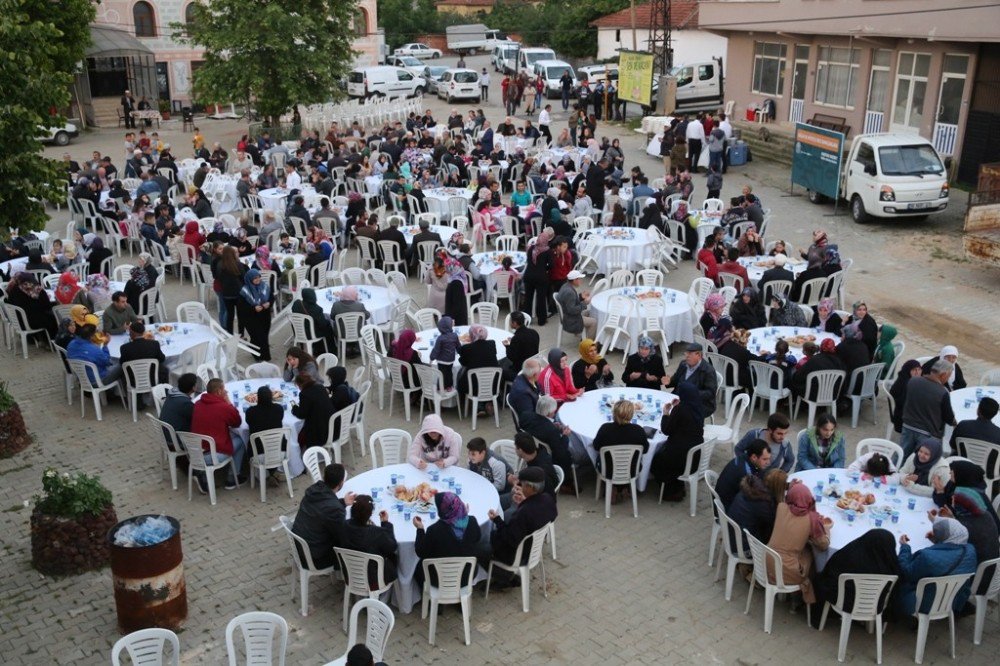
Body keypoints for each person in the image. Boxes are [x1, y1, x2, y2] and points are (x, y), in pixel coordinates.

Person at [488, 466, 558, 586]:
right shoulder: (548, 499)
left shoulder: (524, 513)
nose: (518, 486)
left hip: (519, 554)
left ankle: (504, 578)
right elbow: (551, 515)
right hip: (535, 548)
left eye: (521, 484)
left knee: (483, 546)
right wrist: (523, 503)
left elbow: (509, 539)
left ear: (530, 487)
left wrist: (497, 520)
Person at [811, 529, 901, 622]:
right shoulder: (890, 567)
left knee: (819, 579)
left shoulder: (850, 556)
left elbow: (830, 570)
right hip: (875, 604)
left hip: (845, 602)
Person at [895, 517, 976, 617]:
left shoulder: (927, 556)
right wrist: (938, 542)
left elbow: (906, 572)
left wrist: (905, 547)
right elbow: (949, 557)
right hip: (953, 600)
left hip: (922, 604)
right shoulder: (971, 550)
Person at [767, 483, 831, 605]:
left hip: (767, 562)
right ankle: (802, 599)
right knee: (813, 554)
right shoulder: (811, 519)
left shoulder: (781, 507)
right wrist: (826, 530)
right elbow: (823, 546)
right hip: (787, 571)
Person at [413, 491, 487, 587]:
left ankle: (429, 597)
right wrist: (464, 515)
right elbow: (477, 538)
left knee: (418, 567)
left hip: (440, 579)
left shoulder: (434, 530)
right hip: (467, 575)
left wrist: (420, 529)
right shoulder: (472, 521)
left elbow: (421, 552)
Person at [291, 464, 353, 569]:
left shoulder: (313, 491)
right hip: (315, 558)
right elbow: (343, 536)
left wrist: (342, 502)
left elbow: (322, 509)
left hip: (299, 547)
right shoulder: (335, 509)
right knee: (354, 544)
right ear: (341, 483)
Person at [653, 382, 706, 502]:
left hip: (680, 458)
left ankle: (670, 490)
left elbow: (666, 430)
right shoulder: (698, 407)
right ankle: (677, 486)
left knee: (656, 460)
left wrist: (666, 413)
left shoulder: (680, 410)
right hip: (695, 456)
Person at [190, 378, 246, 491]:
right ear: (219, 391)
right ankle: (232, 478)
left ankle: (202, 473)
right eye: (224, 389)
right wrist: (228, 402)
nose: (225, 392)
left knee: (232, 435)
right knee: (240, 440)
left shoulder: (198, 403)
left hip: (195, 450)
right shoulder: (223, 407)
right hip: (212, 454)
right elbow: (237, 422)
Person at [899, 358, 956, 458]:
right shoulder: (942, 392)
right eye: (948, 376)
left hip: (908, 426)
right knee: (924, 461)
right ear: (943, 375)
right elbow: (949, 418)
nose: (947, 379)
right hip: (929, 433)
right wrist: (956, 422)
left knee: (901, 456)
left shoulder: (913, 381)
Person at [518, 396, 575, 493]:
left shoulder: (525, 416)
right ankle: (566, 484)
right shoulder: (551, 430)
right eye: (554, 411)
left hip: (534, 445)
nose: (555, 412)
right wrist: (565, 436)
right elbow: (560, 452)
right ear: (549, 413)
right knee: (567, 456)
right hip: (545, 453)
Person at [339, 495, 398, 586]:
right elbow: (392, 547)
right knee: (395, 556)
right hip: (374, 579)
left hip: (350, 574)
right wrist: (386, 524)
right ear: (370, 514)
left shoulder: (343, 525)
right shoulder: (376, 533)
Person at [728, 469, 788, 553]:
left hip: (731, 535)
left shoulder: (751, 488)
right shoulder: (764, 504)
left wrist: (788, 486)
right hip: (743, 547)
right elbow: (774, 527)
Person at [66, 315, 124, 387]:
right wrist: (105, 345)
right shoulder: (94, 349)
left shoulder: (71, 344)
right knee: (123, 364)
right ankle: (121, 392)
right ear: (92, 336)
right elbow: (107, 362)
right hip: (97, 381)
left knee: (114, 360)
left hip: (82, 378)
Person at [716, 438, 773, 509]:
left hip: (726, 500)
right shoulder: (746, 473)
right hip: (728, 509)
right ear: (754, 457)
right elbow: (755, 496)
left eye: (769, 458)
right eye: (765, 459)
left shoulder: (744, 457)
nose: (768, 462)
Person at [666, 343, 718, 417]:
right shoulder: (683, 364)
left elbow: (710, 393)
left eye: (690, 353)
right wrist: (669, 382)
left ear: (699, 355)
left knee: (679, 415)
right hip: (679, 398)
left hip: (699, 403)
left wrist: (691, 394)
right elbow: (676, 380)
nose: (686, 356)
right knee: (663, 406)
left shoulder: (708, 371)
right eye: (686, 353)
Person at [4, 272, 57, 338]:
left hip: (18, 322)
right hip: (30, 322)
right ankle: (51, 341)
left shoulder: (11, 289)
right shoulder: (36, 290)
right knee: (54, 317)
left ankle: (37, 338)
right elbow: (47, 305)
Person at [457, 324, 500, 403]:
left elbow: (463, 362)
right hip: (492, 384)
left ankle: (461, 401)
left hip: (473, 387)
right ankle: (485, 404)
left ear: (471, 335)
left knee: (460, 376)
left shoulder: (467, 348)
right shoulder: (492, 344)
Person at [291, 372, 335, 449]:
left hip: (320, 430)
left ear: (300, 384)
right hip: (331, 423)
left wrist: (294, 408)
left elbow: (301, 414)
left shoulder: (304, 394)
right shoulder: (320, 387)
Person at [237, 269, 273, 361]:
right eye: (255, 278)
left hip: (264, 316)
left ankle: (261, 355)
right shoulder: (244, 291)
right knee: (257, 337)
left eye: (259, 277)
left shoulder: (264, 286)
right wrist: (253, 308)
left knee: (263, 337)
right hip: (251, 319)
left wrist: (269, 303)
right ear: (249, 279)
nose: (258, 280)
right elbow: (241, 308)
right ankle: (258, 356)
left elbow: (271, 298)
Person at [468, 437, 513, 509]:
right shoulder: (473, 460)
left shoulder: (496, 463)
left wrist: (482, 489)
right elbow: (470, 474)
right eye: (469, 453)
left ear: (482, 453)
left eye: (473, 454)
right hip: (484, 485)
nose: (470, 457)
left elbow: (500, 486)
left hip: (501, 492)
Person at [119, 321, 168, 386]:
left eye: (130, 332)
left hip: (134, 381)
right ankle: (164, 391)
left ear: (132, 332)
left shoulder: (124, 348)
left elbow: (122, 363)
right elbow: (162, 359)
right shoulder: (154, 344)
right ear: (143, 332)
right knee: (164, 368)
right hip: (154, 378)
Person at [554, 270, 596, 340]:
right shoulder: (569, 292)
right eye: (579, 279)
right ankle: (588, 345)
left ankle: (586, 336)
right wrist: (584, 303)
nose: (581, 281)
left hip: (566, 316)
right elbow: (572, 310)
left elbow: (570, 302)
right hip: (570, 320)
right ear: (574, 280)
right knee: (594, 322)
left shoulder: (566, 286)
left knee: (589, 312)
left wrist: (581, 297)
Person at [291, 288, 336, 353]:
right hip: (311, 334)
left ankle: (317, 348)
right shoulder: (316, 309)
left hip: (299, 332)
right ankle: (331, 351)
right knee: (328, 327)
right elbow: (323, 324)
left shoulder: (297, 304)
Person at [501, 311, 539, 381]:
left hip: (521, 372)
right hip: (534, 367)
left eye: (510, 321)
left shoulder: (517, 338)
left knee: (501, 368)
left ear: (514, 323)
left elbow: (511, 357)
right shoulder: (534, 333)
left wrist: (507, 346)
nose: (509, 323)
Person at [429, 315, 460, 391]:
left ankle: (440, 387)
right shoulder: (455, 336)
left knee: (441, 374)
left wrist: (431, 358)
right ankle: (449, 386)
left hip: (441, 360)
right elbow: (458, 346)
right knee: (449, 373)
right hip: (450, 360)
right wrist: (462, 353)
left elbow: (436, 350)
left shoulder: (440, 338)